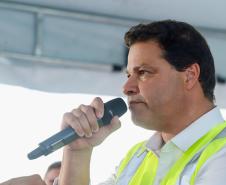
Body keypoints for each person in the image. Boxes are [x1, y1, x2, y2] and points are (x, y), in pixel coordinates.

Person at [57, 20, 226, 185]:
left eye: (144, 72)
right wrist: (78, 152)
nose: (126, 87)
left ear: (189, 75)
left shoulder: (221, 154)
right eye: (128, 75)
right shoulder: (136, 157)